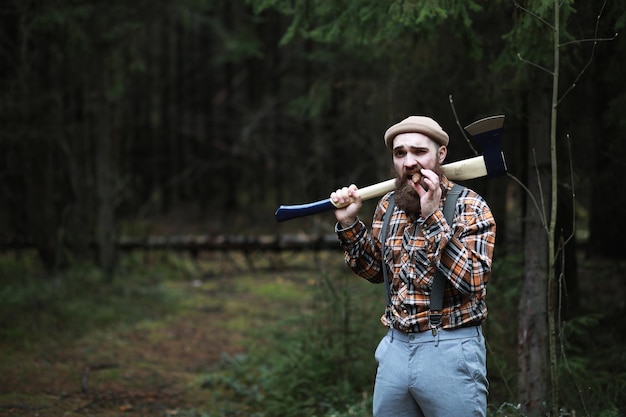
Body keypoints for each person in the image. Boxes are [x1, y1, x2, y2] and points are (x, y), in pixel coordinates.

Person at [330, 116, 496, 417]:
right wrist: (350, 223)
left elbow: (474, 281)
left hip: (450, 349)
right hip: (394, 348)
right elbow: (375, 271)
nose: (409, 162)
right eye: (400, 153)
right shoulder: (388, 205)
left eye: (419, 152)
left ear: (441, 154)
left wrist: (433, 218)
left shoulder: (469, 206)